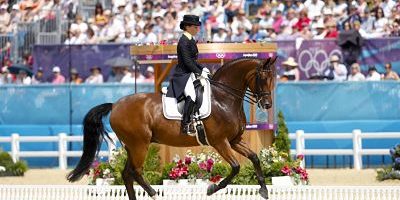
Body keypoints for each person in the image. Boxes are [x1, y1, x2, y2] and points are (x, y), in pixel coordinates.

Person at [166, 14, 210, 135]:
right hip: (183, 75)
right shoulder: (183, 41)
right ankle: (185, 124)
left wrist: (203, 69)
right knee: (192, 95)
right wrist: (200, 72)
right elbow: (187, 61)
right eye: (195, 27)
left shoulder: (190, 39)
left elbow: (193, 60)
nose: (197, 29)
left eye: (198, 26)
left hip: (191, 72)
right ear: (188, 26)